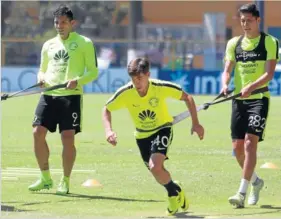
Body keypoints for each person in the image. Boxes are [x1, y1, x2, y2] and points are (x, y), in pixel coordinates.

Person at [102, 57, 204, 215]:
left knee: (155, 166)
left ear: (148, 74)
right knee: (158, 172)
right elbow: (106, 109)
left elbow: (187, 97)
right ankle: (176, 189)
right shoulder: (125, 92)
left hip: (162, 129)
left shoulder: (160, 87)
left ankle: (172, 196)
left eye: (140, 78)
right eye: (133, 78)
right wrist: (108, 130)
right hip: (141, 136)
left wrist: (196, 123)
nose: (136, 82)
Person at [28, 5, 99, 195]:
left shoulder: (85, 43)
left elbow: (93, 71)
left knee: (67, 138)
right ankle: (45, 178)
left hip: (71, 97)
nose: (59, 26)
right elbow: (42, 69)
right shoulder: (48, 44)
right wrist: (40, 79)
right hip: (49, 94)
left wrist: (78, 81)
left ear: (72, 23)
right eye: (57, 22)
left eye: (64, 22)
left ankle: (65, 181)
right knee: (37, 132)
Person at [221, 3, 280, 208]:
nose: (245, 24)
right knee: (237, 150)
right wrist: (224, 84)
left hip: (259, 98)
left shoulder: (270, 42)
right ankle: (256, 182)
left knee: (249, 143)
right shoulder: (233, 43)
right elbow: (227, 69)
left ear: (258, 20)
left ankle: (241, 193)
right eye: (242, 20)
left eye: (249, 20)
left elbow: (269, 73)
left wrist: (251, 86)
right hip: (239, 101)